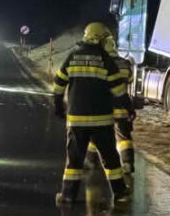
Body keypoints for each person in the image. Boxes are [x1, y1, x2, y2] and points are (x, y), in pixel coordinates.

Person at [53, 23, 127, 204]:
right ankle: (120, 194)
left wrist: (58, 106)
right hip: (102, 120)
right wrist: (125, 111)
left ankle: (68, 196)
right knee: (110, 159)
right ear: (99, 39)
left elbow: (58, 83)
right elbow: (119, 90)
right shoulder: (105, 59)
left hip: (77, 120)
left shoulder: (72, 56)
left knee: (74, 161)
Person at [104, 36, 136, 176]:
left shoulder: (101, 63)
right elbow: (130, 79)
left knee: (97, 135)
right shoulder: (124, 63)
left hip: (104, 108)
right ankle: (128, 163)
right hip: (122, 106)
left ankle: (92, 162)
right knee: (124, 137)